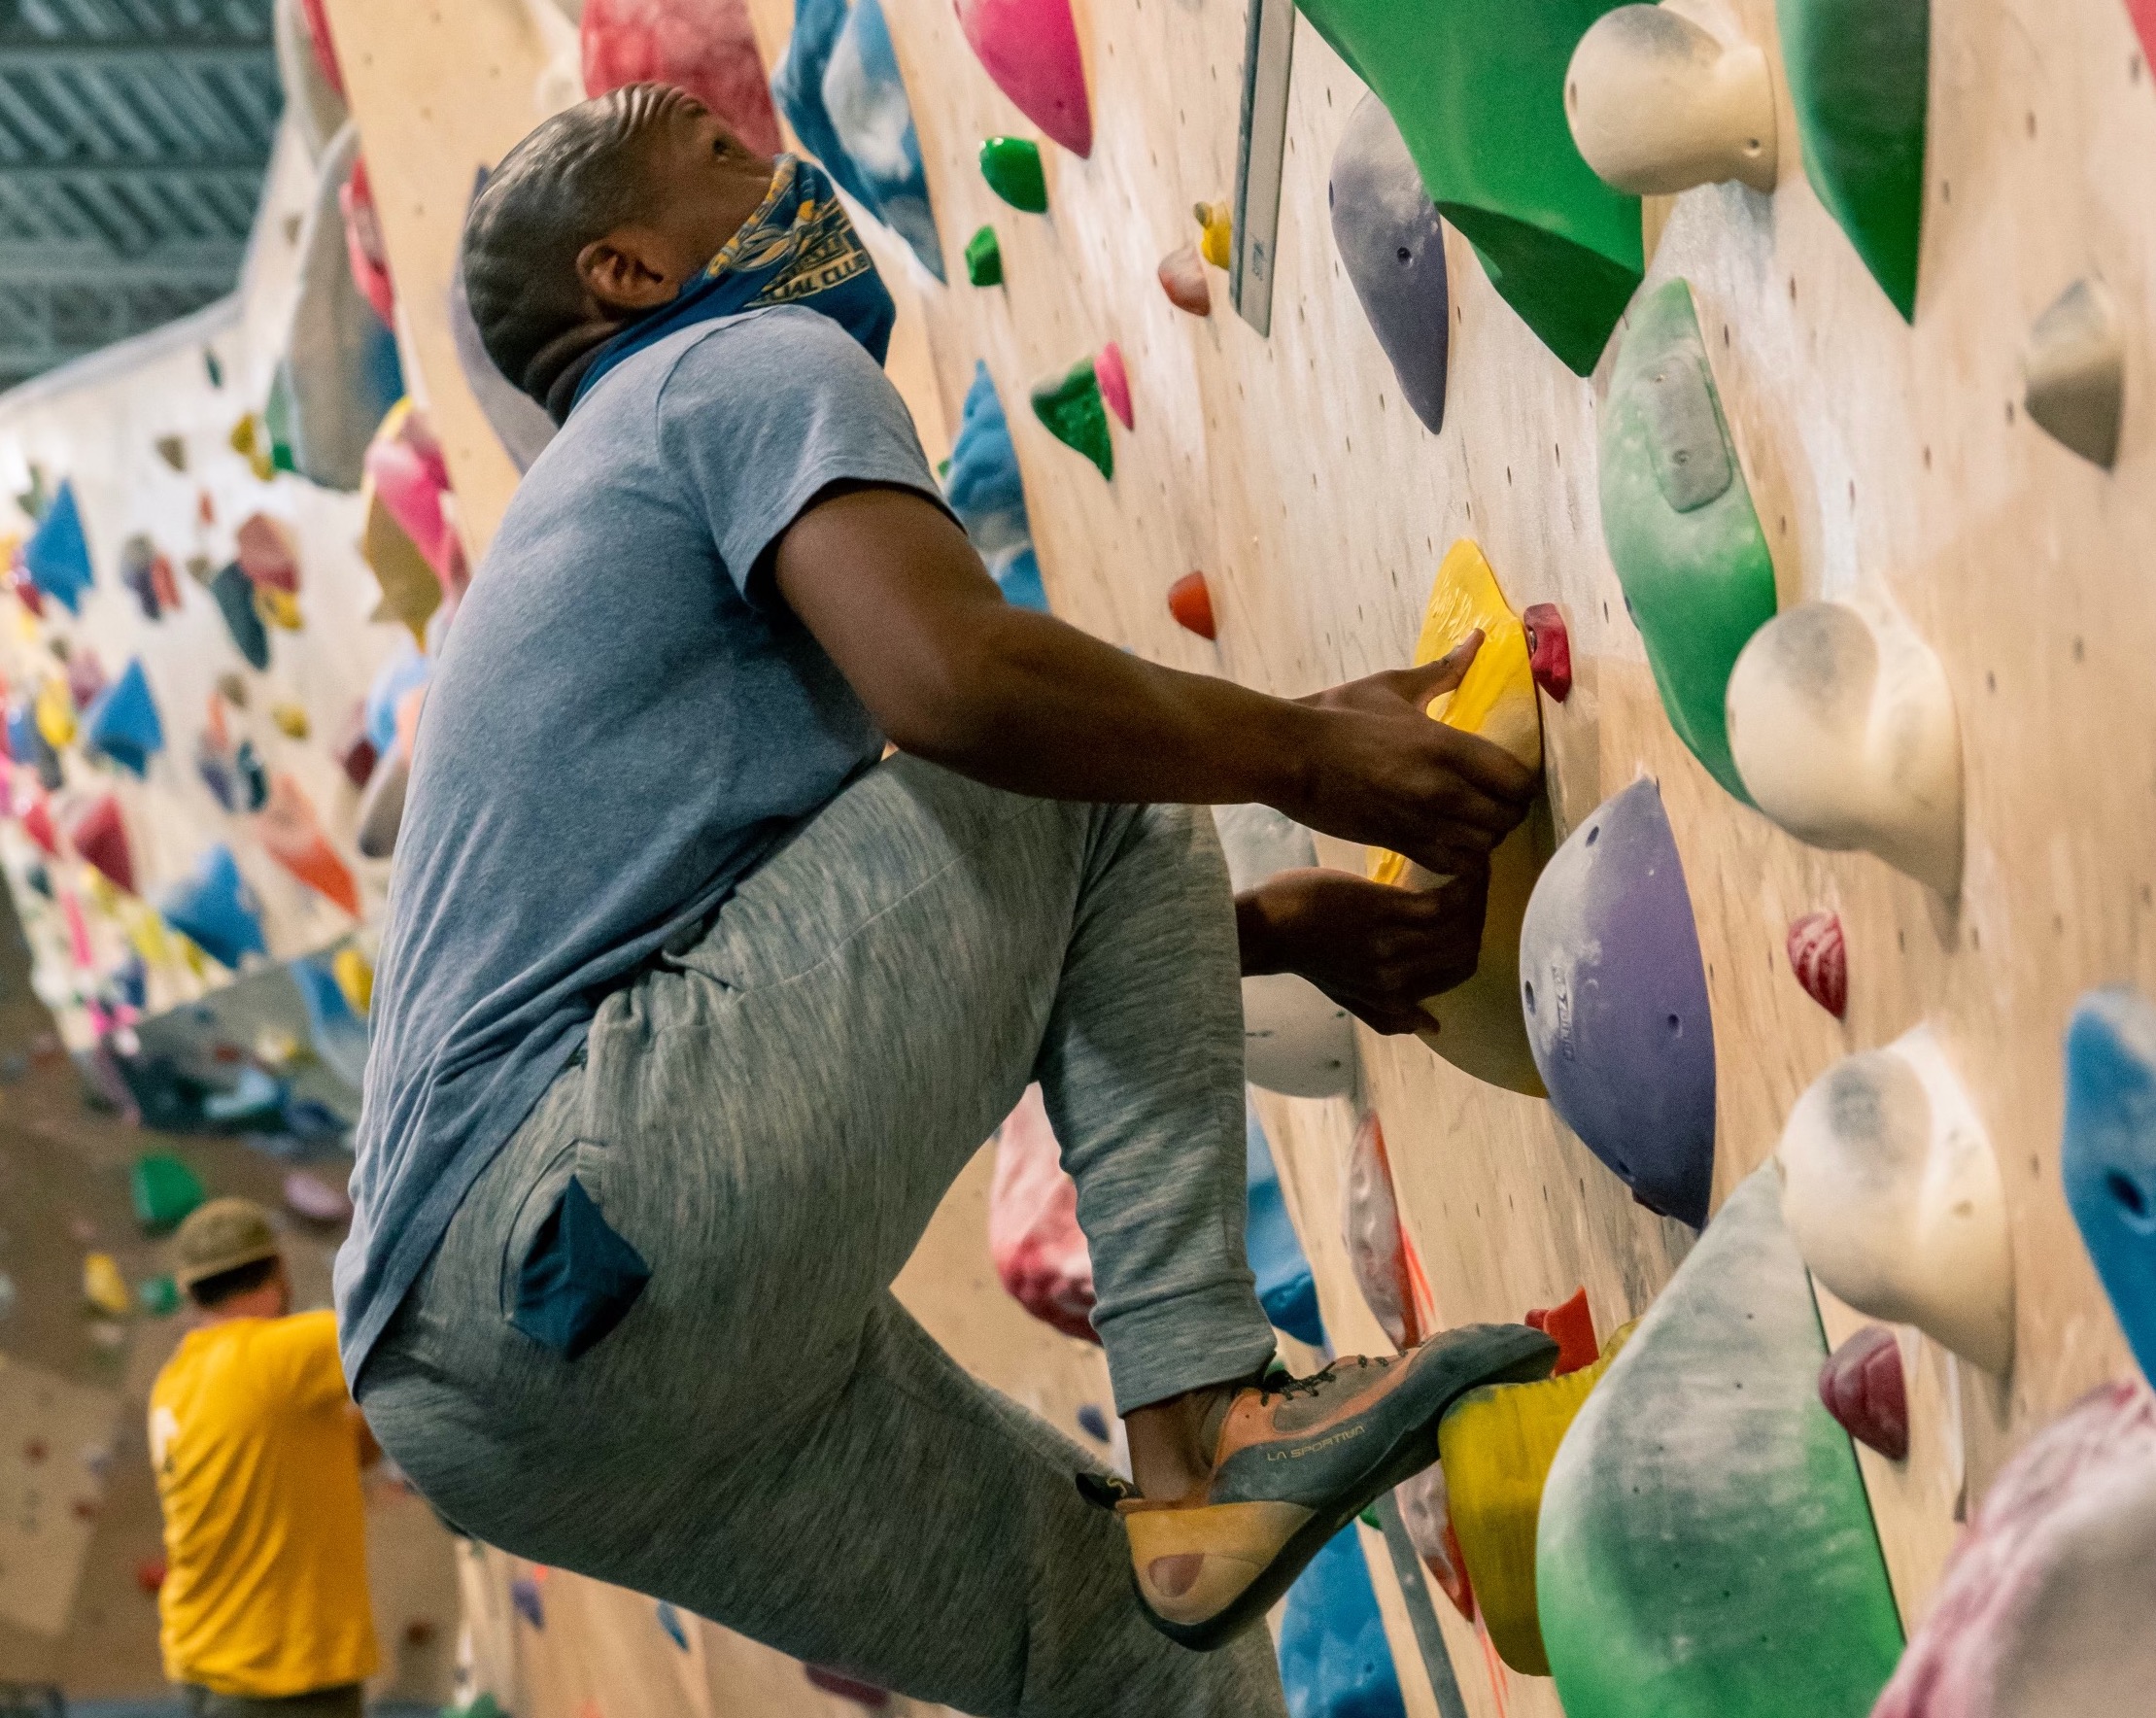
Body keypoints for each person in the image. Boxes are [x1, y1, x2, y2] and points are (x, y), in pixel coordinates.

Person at [341, 84, 1555, 1716]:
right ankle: (1199, 1407)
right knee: (1077, 755)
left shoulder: (611, 530)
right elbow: (965, 694)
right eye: (722, 157)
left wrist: (1255, 929)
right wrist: (1304, 761)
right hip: (562, 1207)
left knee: (1143, 1659)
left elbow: (873, 945)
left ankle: (1199, 1457)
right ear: (627, 274)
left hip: (492, 1400)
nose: (782, 170)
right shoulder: (729, 366)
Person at [152, 1198, 381, 1718]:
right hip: (278, 1677)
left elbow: (343, 1454)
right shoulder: (281, 1356)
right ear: (278, 1269)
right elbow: (395, 1316)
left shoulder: (175, 1384)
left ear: (189, 1291)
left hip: (205, 1661)